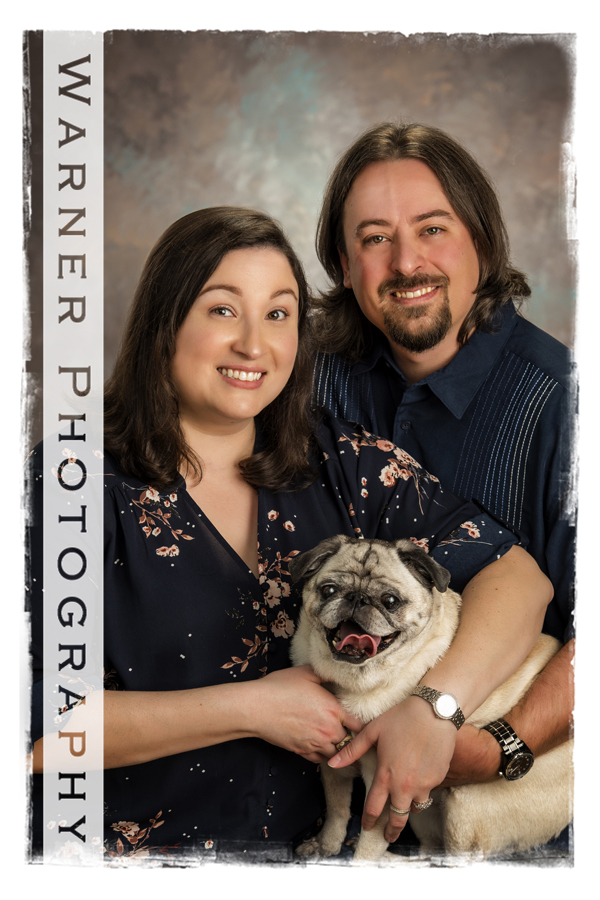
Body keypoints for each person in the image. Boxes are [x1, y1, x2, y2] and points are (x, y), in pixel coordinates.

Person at [28, 207, 551, 862]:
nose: (255, 345)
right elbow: (33, 731)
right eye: (223, 310)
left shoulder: (341, 461)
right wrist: (249, 707)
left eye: (278, 314)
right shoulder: (70, 485)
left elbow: (518, 577)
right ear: (166, 324)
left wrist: (435, 706)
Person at [312, 123, 574, 848]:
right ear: (343, 263)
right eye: (373, 238)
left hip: (504, 811)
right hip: (320, 793)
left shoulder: (563, 408)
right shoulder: (302, 372)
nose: (406, 263)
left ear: (482, 243)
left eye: (434, 229)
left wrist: (489, 750)